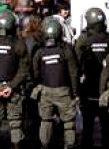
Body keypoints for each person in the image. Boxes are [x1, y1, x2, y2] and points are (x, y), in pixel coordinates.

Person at [32, 18, 79, 148]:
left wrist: (40, 84)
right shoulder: (66, 50)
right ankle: (69, 145)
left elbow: (35, 72)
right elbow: (73, 73)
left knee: (45, 120)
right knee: (69, 122)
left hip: (46, 90)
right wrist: (75, 93)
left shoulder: (39, 52)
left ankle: (45, 145)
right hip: (64, 91)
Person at [74, 7, 109, 149]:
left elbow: (77, 62)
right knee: (106, 122)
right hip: (105, 87)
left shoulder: (83, 39)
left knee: (88, 123)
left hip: (88, 85)